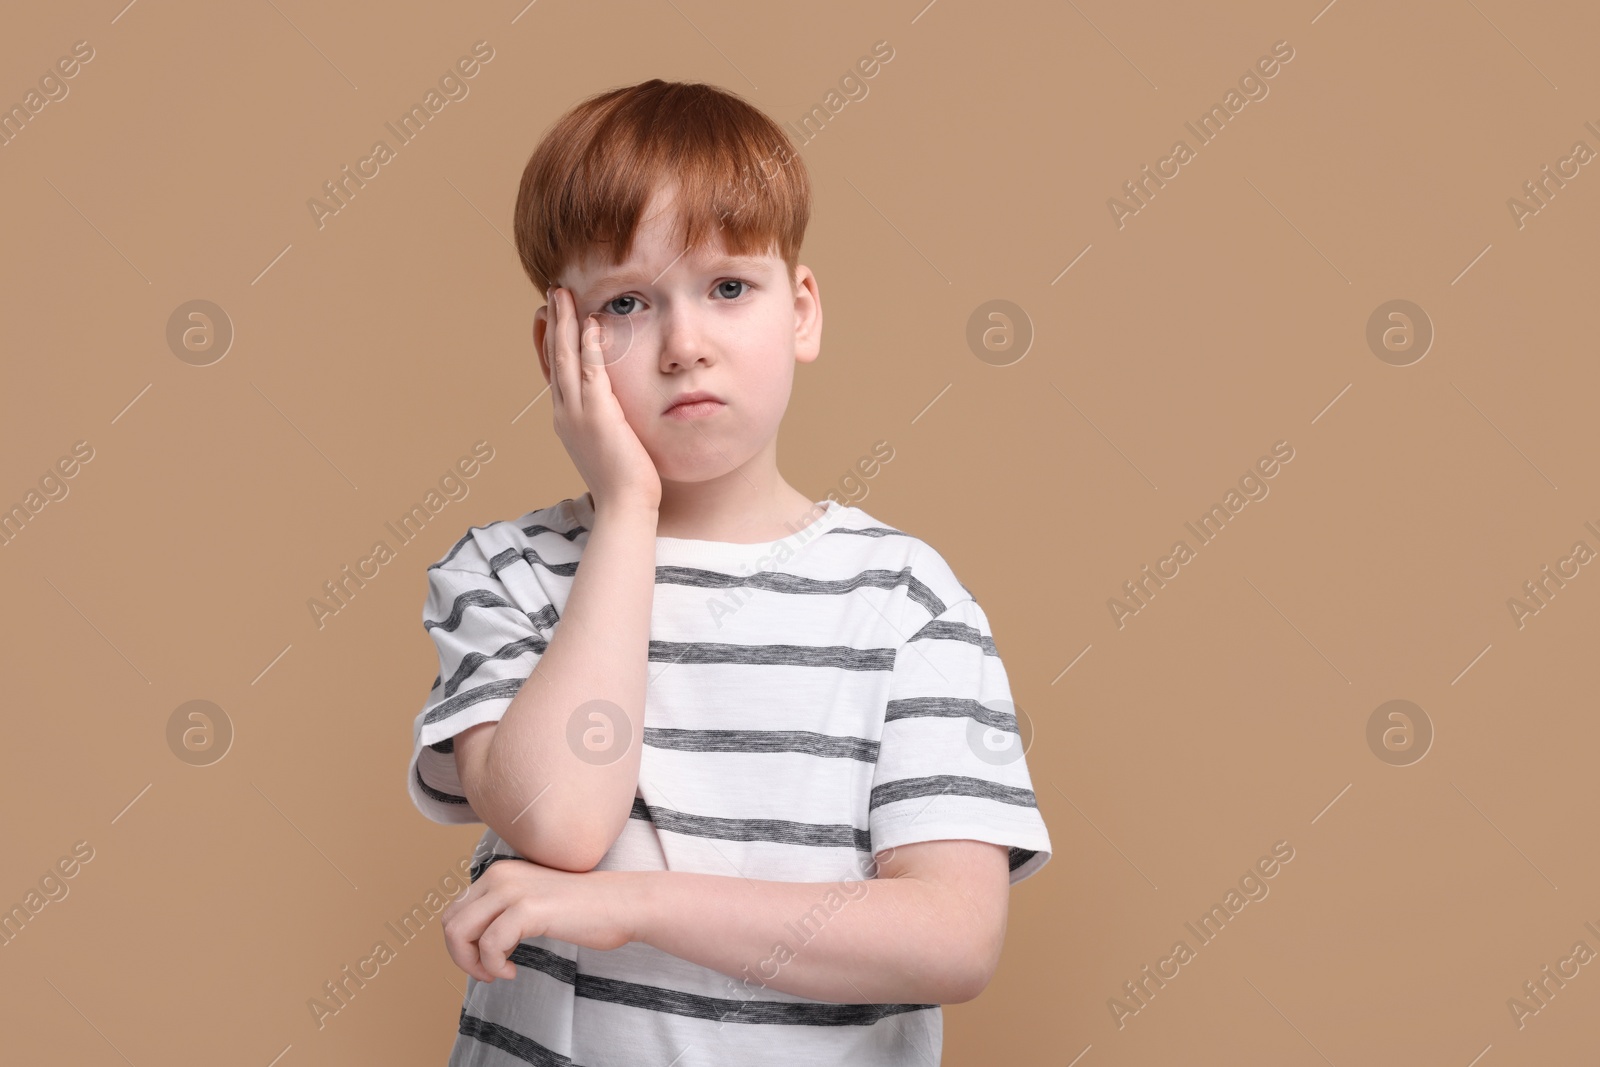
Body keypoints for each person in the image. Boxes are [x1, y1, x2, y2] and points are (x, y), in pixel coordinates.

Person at [405, 78, 1052, 1066]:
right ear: (557, 346)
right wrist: (627, 510)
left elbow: (953, 936)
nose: (685, 345)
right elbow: (565, 821)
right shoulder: (507, 574)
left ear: (800, 311)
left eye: (728, 288)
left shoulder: (905, 602)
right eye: (626, 301)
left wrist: (638, 905)